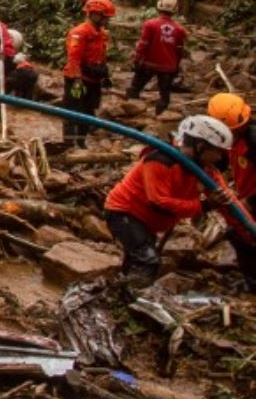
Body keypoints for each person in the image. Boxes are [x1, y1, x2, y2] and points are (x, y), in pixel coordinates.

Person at [105, 114, 232, 290]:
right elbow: (158, 201)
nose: (219, 157)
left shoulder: (205, 169)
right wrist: (203, 205)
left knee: (137, 259)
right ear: (201, 145)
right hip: (125, 213)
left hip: (148, 222)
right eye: (217, 151)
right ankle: (130, 301)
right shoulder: (160, 160)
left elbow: (228, 198)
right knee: (147, 260)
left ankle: (121, 294)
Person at [208, 94, 256, 289]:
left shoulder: (253, 142)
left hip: (253, 198)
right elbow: (222, 160)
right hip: (247, 195)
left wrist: (250, 203)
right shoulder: (234, 140)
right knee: (239, 235)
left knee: (243, 236)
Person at [62, 0, 116, 148]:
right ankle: (68, 144)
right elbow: (74, 58)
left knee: (88, 111)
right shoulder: (79, 33)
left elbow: (102, 56)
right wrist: (77, 80)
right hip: (78, 79)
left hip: (94, 80)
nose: (107, 21)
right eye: (106, 18)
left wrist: (105, 75)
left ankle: (81, 141)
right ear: (95, 15)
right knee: (72, 110)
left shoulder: (102, 34)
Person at [127, 0, 188, 114]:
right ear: (175, 10)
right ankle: (161, 115)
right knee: (164, 94)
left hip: (148, 64)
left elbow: (143, 44)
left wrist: (137, 59)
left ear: (158, 6)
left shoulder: (150, 24)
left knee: (135, 89)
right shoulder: (180, 29)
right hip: (168, 66)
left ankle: (129, 111)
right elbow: (179, 50)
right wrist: (176, 66)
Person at [4, 28, 42, 100]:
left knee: (12, 83)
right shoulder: (20, 57)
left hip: (22, 74)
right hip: (29, 74)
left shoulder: (14, 58)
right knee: (27, 89)